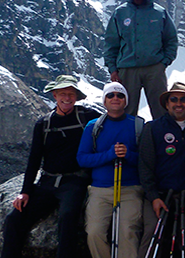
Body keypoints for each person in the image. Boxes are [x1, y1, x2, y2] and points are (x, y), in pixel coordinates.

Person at [1, 75, 100, 258]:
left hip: (75, 181)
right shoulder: (43, 124)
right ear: (55, 95)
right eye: (63, 93)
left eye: (71, 94)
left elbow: (109, 128)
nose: (67, 98)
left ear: (77, 97)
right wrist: (25, 191)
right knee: (14, 219)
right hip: (46, 182)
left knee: (68, 217)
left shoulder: (88, 116)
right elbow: (34, 159)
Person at [138, 82, 185, 258]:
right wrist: (153, 197)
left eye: (183, 100)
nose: (178, 103)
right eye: (173, 99)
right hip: (160, 193)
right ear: (167, 104)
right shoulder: (152, 128)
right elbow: (145, 165)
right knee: (153, 234)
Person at [77, 82, 145, 258]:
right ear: (105, 101)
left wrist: (128, 155)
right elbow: (82, 158)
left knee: (127, 233)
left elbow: (147, 161)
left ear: (126, 101)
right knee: (94, 232)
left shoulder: (138, 125)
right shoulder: (93, 126)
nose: (115, 98)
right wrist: (109, 155)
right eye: (111, 95)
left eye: (120, 95)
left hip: (130, 189)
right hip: (100, 189)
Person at [105, 0, 178, 120]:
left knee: (161, 111)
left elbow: (171, 39)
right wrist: (113, 69)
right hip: (127, 70)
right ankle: (126, 143)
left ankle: (165, 142)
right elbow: (111, 43)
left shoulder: (159, 12)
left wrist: (163, 63)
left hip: (154, 69)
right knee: (126, 112)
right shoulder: (120, 13)